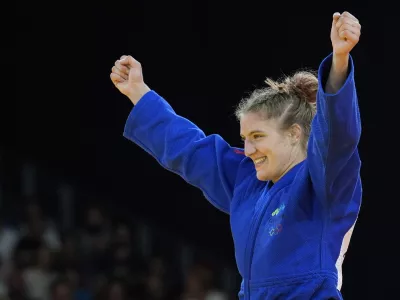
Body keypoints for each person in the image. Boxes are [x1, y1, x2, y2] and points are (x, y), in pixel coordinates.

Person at [110, 11, 362, 300]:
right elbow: (190, 148)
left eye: (258, 137)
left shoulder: (324, 182)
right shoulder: (247, 180)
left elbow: (339, 138)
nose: (249, 150)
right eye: (245, 139)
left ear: (294, 133)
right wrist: (139, 93)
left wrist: (339, 61)